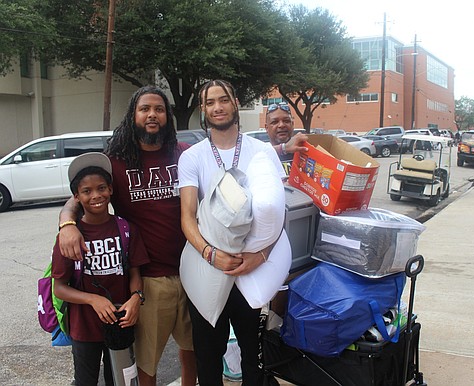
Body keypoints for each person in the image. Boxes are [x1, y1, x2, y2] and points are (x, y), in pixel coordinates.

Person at [58, 86, 197, 386]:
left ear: (167, 116)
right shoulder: (116, 161)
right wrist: (66, 223)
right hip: (148, 277)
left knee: (191, 349)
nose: (152, 115)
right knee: (147, 360)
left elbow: (223, 159)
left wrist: (279, 149)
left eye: (159, 109)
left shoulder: (185, 154)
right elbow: (81, 194)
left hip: (193, 270)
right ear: (133, 115)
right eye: (145, 109)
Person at [178, 79, 286, 385]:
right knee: (208, 358)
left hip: (249, 272)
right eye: (210, 102)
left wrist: (261, 256)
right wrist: (211, 255)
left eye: (223, 100)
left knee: (252, 356)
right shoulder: (192, 157)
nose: (217, 107)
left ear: (235, 102)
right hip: (208, 269)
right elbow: (187, 217)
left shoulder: (262, 152)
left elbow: (279, 212)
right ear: (203, 109)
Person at [52, 152, 149, 386]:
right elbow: (60, 289)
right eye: (87, 191)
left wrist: (136, 297)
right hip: (84, 327)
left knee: (119, 379)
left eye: (101, 188)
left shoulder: (126, 229)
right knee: (85, 381)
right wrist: (93, 300)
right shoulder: (69, 238)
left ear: (111, 190)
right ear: (77, 197)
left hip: (119, 323)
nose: (96, 196)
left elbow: (135, 273)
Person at [264, 103, 308, 173]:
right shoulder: (261, 155)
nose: (281, 125)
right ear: (266, 128)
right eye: (275, 122)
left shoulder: (304, 152)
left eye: (286, 121)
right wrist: (284, 148)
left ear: (292, 124)